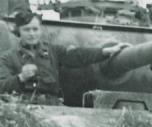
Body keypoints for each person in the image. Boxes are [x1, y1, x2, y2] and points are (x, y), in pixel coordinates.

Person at [0, 11, 129, 102]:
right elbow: (2, 86)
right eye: (27, 30)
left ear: (40, 30)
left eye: (35, 29)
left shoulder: (52, 51)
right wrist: (20, 78)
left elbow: (77, 55)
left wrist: (106, 51)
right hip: (23, 107)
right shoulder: (8, 58)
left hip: (53, 106)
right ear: (19, 31)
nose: (32, 34)